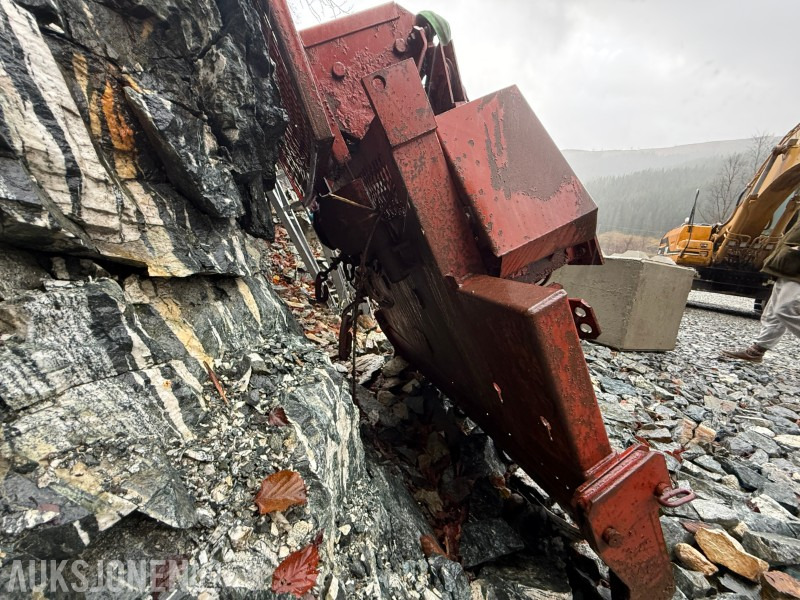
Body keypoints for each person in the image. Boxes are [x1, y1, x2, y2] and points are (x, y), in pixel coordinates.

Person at [721, 216, 800, 362]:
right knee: (772, 313)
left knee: (785, 309)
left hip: (796, 267)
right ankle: (757, 351)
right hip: (789, 263)